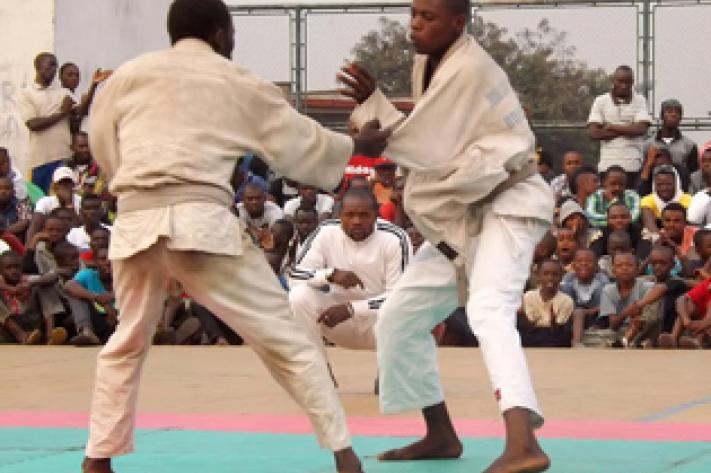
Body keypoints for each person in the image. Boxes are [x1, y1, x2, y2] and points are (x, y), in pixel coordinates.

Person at [81, 1, 389, 472]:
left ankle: (98, 457)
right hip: (200, 223)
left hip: (137, 220)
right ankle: (344, 455)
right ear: (222, 34)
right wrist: (356, 147)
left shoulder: (126, 77)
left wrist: (138, 182)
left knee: (126, 341)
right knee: (286, 339)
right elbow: (296, 140)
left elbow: (103, 146)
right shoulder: (236, 80)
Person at [338, 0, 554, 470]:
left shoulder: (469, 69)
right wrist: (375, 102)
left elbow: (426, 145)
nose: (416, 24)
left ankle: (524, 443)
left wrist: (372, 121)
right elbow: (433, 134)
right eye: (414, 14)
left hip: (508, 202)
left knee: (489, 309)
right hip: (464, 213)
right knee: (399, 316)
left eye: (428, 17)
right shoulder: (429, 63)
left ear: (459, 23)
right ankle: (440, 434)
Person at [288, 189, 411, 363]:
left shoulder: (395, 238)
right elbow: (295, 275)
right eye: (350, 215)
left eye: (364, 215)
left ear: (376, 215)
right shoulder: (325, 232)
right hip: (336, 321)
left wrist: (352, 309)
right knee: (298, 296)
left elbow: (399, 297)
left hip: (380, 324)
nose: (356, 221)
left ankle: (389, 370)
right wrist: (330, 275)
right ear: (340, 215)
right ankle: (318, 371)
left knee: (404, 310)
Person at [16, 53, 74, 194]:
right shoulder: (26, 94)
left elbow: (80, 112)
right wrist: (62, 113)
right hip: (40, 160)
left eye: (55, 66)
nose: (53, 70)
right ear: (38, 66)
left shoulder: (63, 92)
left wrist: (93, 86)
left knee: (62, 199)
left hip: (63, 157)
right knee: (40, 200)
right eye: (50, 65)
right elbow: (33, 124)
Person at [587, 65, 651, 183]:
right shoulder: (600, 101)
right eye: (620, 81)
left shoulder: (640, 100)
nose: (624, 85)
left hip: (633, 165)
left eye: (628, 82)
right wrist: (629, 128)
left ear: (632, 82)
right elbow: (594, 133)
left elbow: (641, 129)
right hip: (607, 165)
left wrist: (611, 126)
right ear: (613, 81)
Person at [626, 244, 687, 347]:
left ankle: (636, 340)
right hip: (643, 325)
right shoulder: (646, 281)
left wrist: (639, 305)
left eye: (663, 263)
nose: (658, 267)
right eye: (654, 263)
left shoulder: (677, 283)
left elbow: (661, 288)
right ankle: (632, 340)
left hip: (665, 327)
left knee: (655, 299)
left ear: (673, 264)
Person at [0, 250, 65, 345]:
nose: (14, 271)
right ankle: (21, 335)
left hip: (33, 325)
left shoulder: (27, 280)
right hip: (9, 328)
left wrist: (30, 285)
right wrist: (10, 289)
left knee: (45, 285)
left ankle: (50, 334)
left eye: (17, 267)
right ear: (1, 270)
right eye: (8, 268)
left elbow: (54, 276)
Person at [517, 259, 574, 347]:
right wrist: (522, 315)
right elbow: (529, 326)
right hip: (532, 334)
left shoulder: (566, 300)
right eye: (546, 274)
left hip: (554, 336)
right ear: (538, 276)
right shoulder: (529, 296)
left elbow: (559, 329)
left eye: (555, 274)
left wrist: (553, 322)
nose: (550, 278)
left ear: (561, 277)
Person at [641, 99, 698, 185]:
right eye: (669, 111)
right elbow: (643, 172)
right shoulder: (648, 145)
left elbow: (693, 173)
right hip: (654, 188)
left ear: (681, 118)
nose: (673, 114)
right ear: (661, 116)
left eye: (677, 112)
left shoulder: (689, 145)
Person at [561, 248, 609, 347]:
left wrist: (588, 311)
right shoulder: (569, 279)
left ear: (596, 266)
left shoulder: (602, 279)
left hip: (595, 315)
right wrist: (578, 312)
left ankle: (595, 326)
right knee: (566, 288)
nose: (584, 264)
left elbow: (605, 305)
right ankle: (576, 343)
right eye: (579, 261)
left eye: (589, 261)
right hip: (574, 316)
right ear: (573, 265)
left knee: (602, 290)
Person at [59, 63, 112, 133]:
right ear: (60, 77)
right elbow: (82, 111)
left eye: (77, 75)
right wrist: (94, 85)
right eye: (70, 75)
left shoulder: (78, 96)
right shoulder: (62, 94)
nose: (74, 78)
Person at [659, 277, 711, 349]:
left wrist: (704, 324)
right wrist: (686, 320)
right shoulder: (707, 284)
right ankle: (674, 338)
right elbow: (681, 299)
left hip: (706, 325)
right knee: (688, 305)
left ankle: (697, 341)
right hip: (702, 323)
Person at [640, 166, 692, 235]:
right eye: (660, 184)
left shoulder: (689, 200)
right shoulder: (647, 200)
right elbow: (650, 226)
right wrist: (662, 238)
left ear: (676, 184)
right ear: (654, 185)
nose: (664, 188)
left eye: (668, 184)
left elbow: (689, 227)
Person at [236, 183, 285, 247]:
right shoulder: (236, 211)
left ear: (265, 199)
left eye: (258, 198)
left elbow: (275, 237)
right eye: (250, 199)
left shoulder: (275, 210)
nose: (254, 202)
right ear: (243, 200)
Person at [65, 132, 108, 197]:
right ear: (72, 148)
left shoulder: (99, 165)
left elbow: (99, 191)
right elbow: (56, 191)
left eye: (88, 146)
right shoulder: (65, 167)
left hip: (94, 202)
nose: (85, 150)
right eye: (81, 146)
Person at [0, 176, 32, 241]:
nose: (3, 191)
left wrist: (3, 232)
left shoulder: (22, 203)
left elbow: (25, 222)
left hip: (14, 241)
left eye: (7, 188)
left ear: (13, 192)